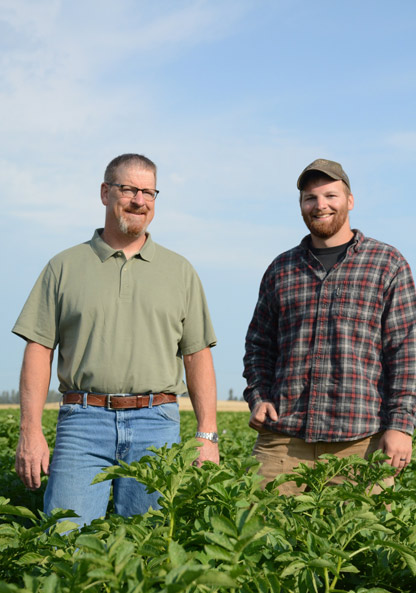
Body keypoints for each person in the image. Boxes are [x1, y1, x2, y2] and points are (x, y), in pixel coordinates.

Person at [13, 153, 219, 525]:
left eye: (149, 192)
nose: (139, 200)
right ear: (106, 192)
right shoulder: (64, 266)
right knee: (65, 542)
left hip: (158, 424)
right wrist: (31, 430)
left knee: (151, 551)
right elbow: (38, 349)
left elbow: (197, 355)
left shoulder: (180, 271)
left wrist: (207, 435)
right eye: (128, 189)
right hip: (82, 423)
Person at [243, 158, 416, 495]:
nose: (320, 205)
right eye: (310, 198)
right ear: (302, 206)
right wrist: (259, 396)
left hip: (361, 444)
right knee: (260, 538)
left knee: (361, 544)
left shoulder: (387, 264)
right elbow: (259, 345)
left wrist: (401, 426)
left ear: (349, 201)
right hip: (283, 442)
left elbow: (406, 352)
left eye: (330, 196)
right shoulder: (281, 269)